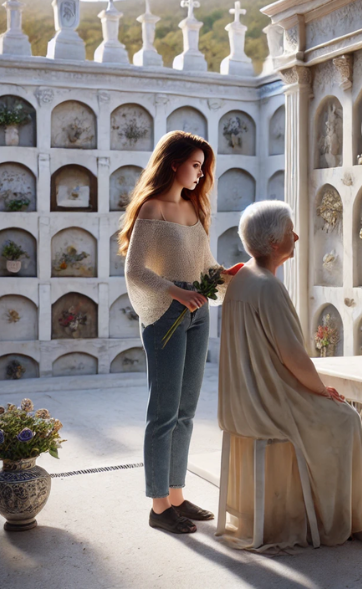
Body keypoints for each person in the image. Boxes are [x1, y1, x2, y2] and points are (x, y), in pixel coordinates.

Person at [218, 200, 362, 551]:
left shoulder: (242, 276)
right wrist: (321, 391)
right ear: (275, 243)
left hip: (240, 402)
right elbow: (294, 358)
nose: (298, 236)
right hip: (270, 403)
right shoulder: (269, 287)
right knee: (346, 418)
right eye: (291, 232)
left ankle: (299, 510)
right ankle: (334, 519)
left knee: (338, 415)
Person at [118, 131, 242, 535]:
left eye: (203, 167)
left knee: (186, 411)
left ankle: (176, 495)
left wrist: (231, 276)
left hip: (198, 312)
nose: (200, 173)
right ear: (173, 163)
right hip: (166, 313)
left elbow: (204, 267)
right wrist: (175, 291)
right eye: (194, 164)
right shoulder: (153, 209)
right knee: (163, 412)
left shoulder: (192, 209)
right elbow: (135, 270)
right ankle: (158, 508)